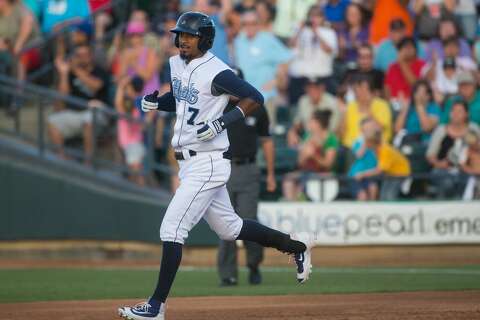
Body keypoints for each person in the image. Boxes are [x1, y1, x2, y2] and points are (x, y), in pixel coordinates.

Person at [117, 12, 315, 320]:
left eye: (189, 35)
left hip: (207, 162)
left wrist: (222, 121)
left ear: (205, 40)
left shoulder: (217, 71)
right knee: (231, 228)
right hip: (190, 162)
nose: (182, 39)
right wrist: (159, 102)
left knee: (172, 229)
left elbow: (255, 97)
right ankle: (296, 246)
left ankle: (156, 306)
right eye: (180, 34)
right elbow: (184, 101)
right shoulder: (176, 63)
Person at [217, 67, 276, 287]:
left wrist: (270, 174)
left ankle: (253, 264)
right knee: (224, 224)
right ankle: (227, 274)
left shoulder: (257, 108)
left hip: (249, 169)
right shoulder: (217, 107)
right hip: (223, 169)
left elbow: (267, 141)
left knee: (247, 219)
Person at [47, 44, 110, 160]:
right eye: (79, 55)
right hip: (76, 112)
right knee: (53, 121)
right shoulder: (71, 73)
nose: (82, 58)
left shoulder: (100, 71)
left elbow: (95, 86)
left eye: (85, 55)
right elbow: (62, 96)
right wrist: (64, 73)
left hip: (97, 113)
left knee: (88, 121)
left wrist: (75, 70)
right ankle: (61, 158)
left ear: (91, 56)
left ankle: (88, 162)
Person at [426, 100, 480, 199]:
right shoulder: (441, 130)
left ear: (467, 114)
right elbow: (430, 155)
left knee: (469, 182)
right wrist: (439, 164)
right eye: (453, 111)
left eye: (459, 111)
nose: (455, 114)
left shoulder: (474, 128)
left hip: (467, 170)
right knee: (446, 182)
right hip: (443, 170)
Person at [283, 110, 339, 201]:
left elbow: (328, 164)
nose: (309, 124)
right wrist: (305, 154)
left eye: (311, 121)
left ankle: (299, 200)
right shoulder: (307, 136)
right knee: (289, 179)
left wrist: (314, 156)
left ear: (319, 123)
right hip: (306, 172)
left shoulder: (331, 139)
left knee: (302, 187)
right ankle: (291, 206)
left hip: (323, 174)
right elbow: (300, 162)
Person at [288, 4, 338, 105]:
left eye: (317, 15)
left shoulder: (329, 32)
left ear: (323, 18)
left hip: (321, 78)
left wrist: (316, 32)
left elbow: (329, 50)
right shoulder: (300, 30)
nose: (314, 18)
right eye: (312, 15)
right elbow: (290, 45)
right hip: (300, 78)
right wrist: (299, 30)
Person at [287, 77, 339, 147]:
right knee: (291, 137)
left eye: (315, 88)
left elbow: (333, 129)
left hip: (326, 139)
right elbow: (298, 122)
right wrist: (292, 132)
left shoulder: (331, 102)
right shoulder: (303, 101)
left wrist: (315, 139)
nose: (312, 90)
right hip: (308, 138)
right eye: (310, 88)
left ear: (322, 88)